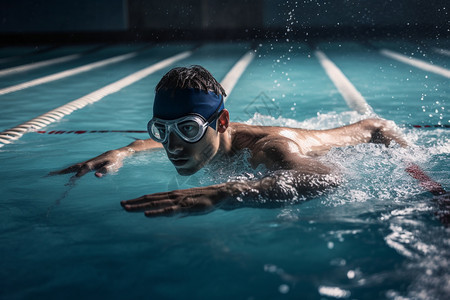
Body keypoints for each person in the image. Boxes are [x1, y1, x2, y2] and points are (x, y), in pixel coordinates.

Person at [53, 65, 409, 217]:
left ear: (221, 122)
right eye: (162, 131)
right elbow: (149, 143)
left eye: (188, 130)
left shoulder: (267, 149)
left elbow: (328, 177)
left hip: (377, 136)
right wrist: (122, 152)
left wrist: (229, 192)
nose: (172, 147)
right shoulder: (196, 138)